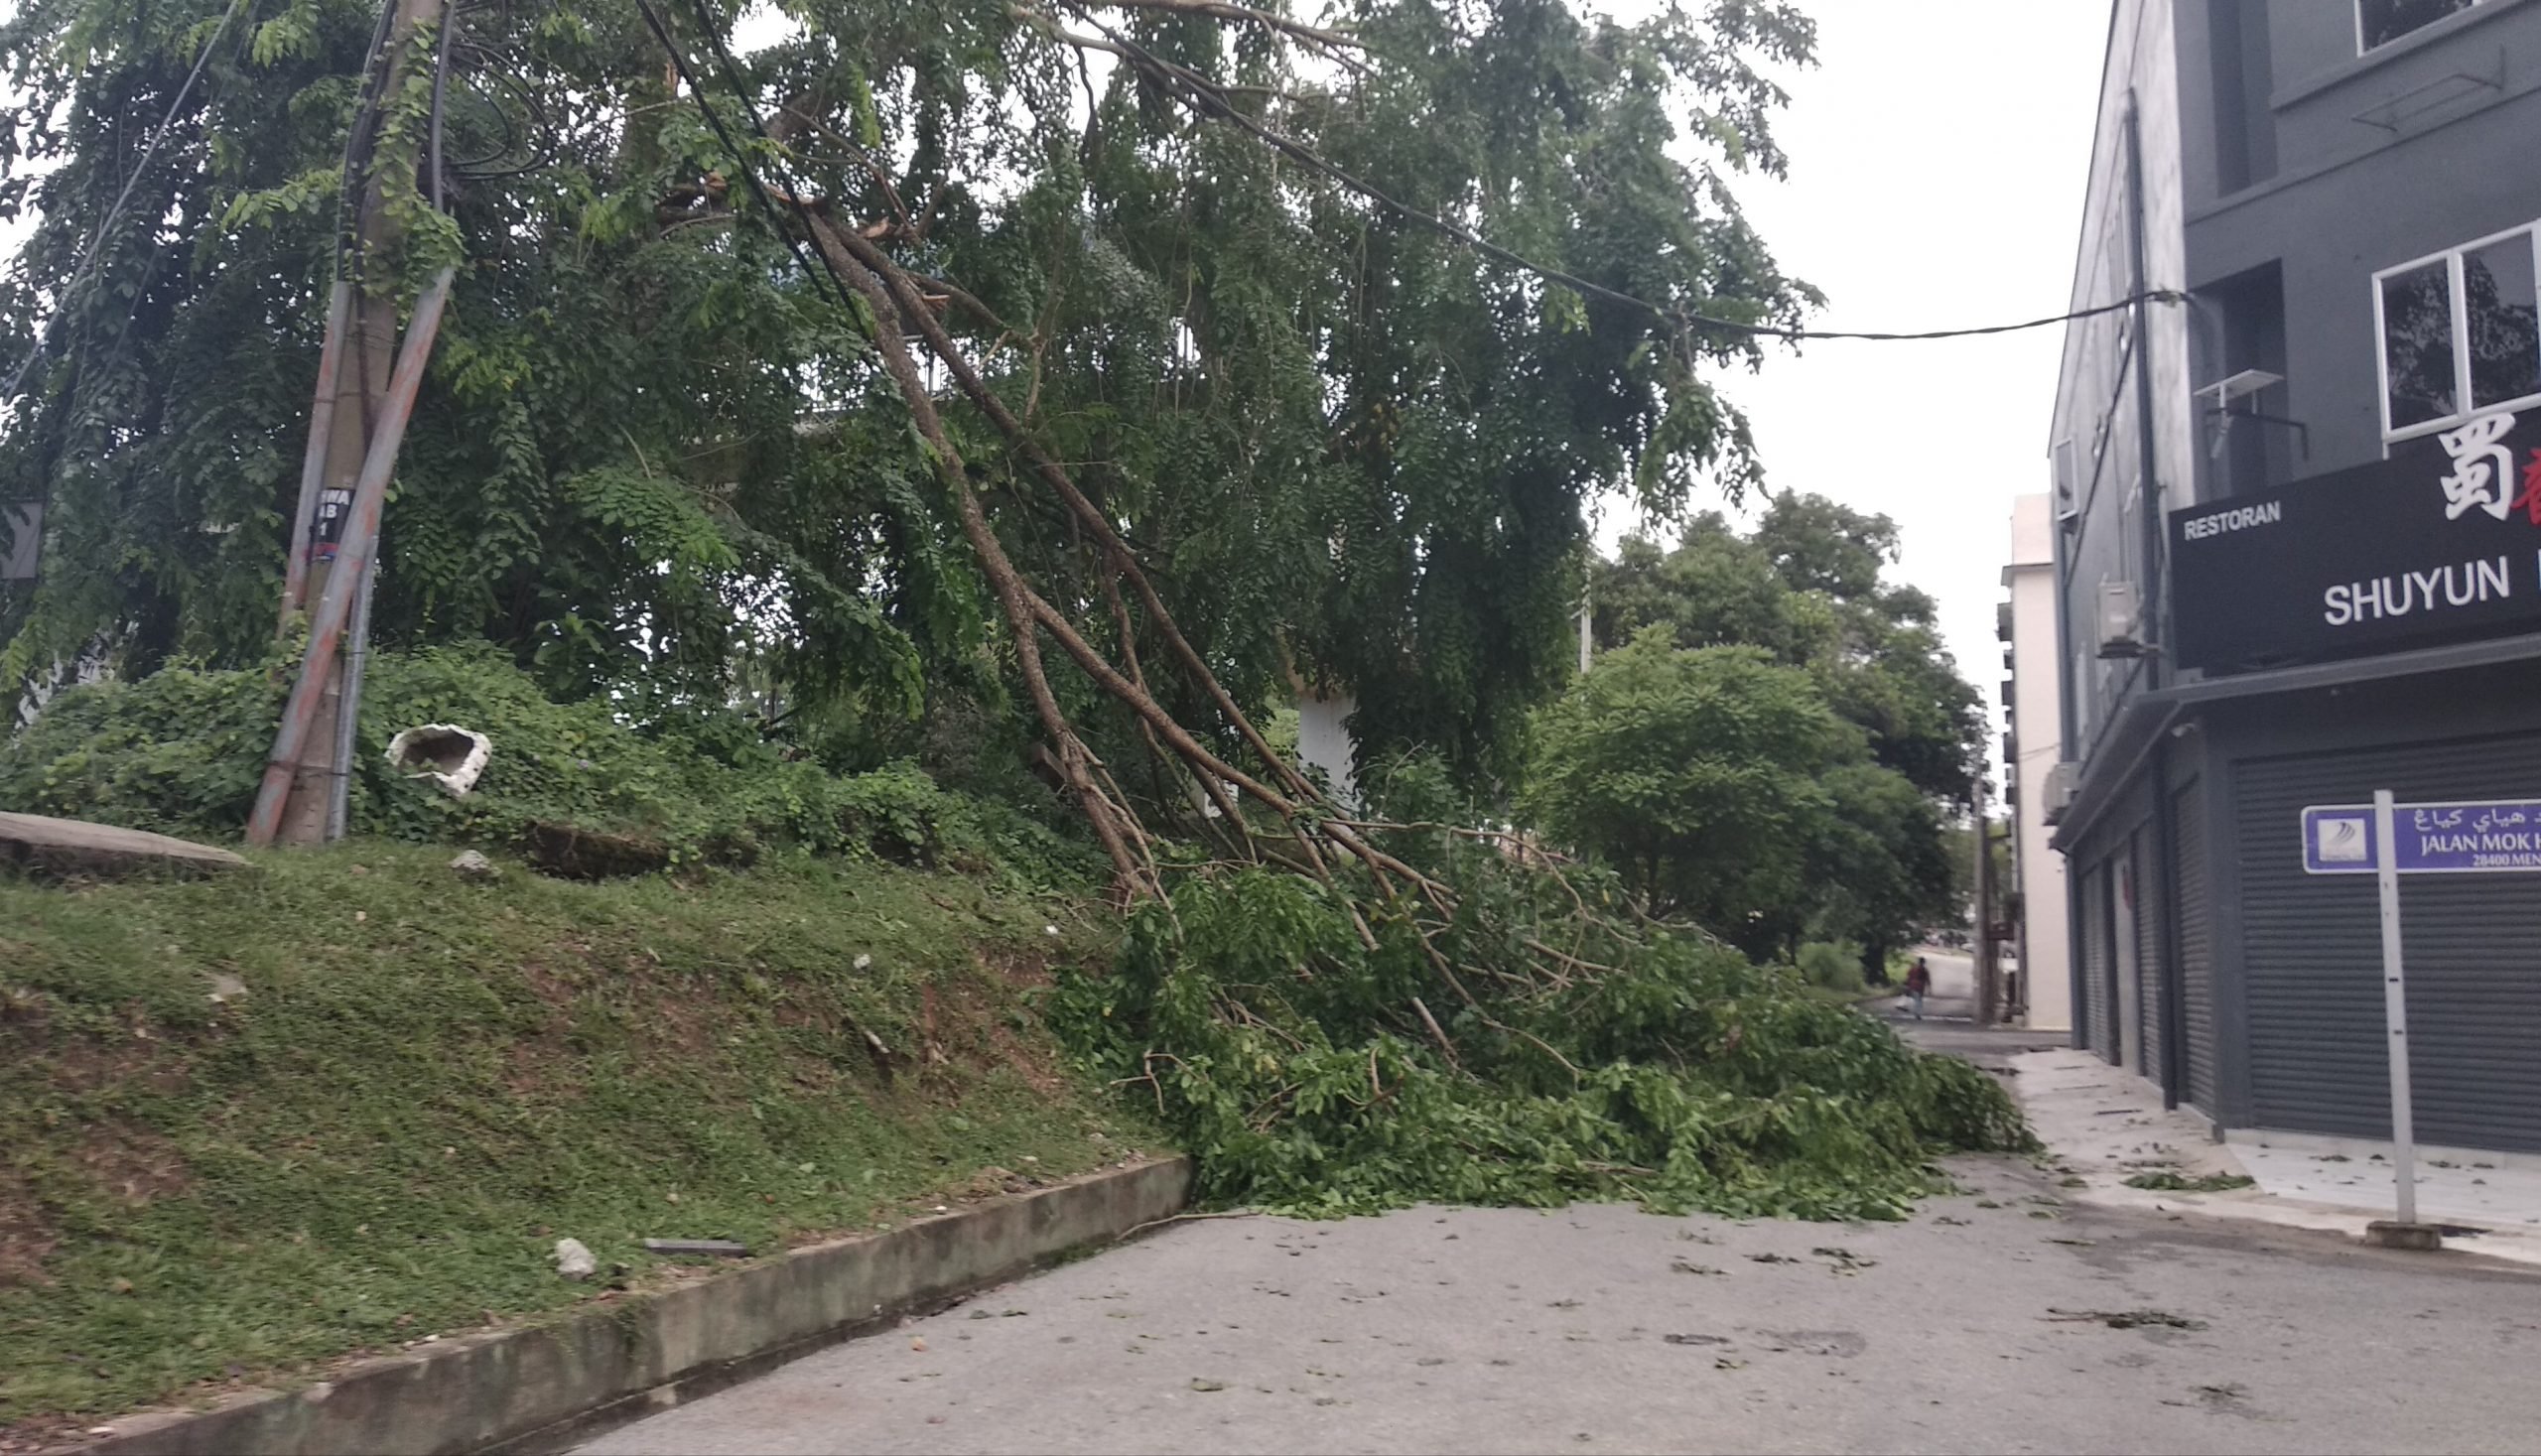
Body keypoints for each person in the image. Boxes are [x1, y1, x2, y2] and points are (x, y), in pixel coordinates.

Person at [1903, 957, 1933, 1021]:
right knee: (1919, 1000)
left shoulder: (1913, 969)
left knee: (1914, 998)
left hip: (1912, 985)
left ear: (1918, 962)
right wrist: (1929, 989)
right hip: (1920, 986)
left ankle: (1910, 1009)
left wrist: (1906, 984)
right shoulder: (1925, 970)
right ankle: (1917, 1013)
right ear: (1924, 963)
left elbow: (1908, 977)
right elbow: (1928, 980)